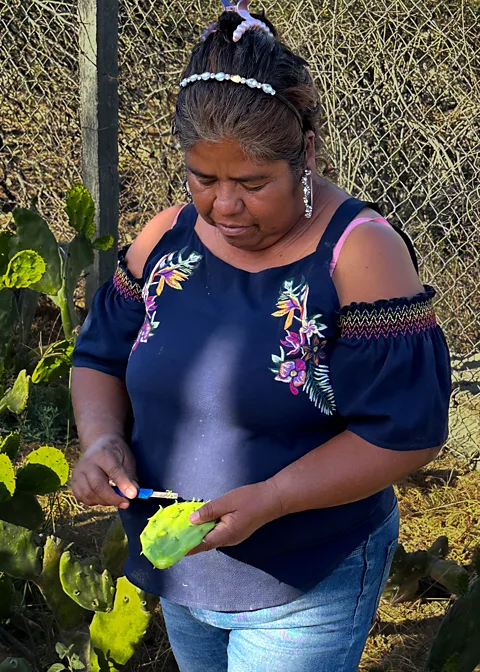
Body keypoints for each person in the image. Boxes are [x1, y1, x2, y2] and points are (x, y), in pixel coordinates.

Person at [71, 3, 451, 670]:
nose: (223, 205)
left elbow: (404, 432)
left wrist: (273, 498)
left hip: (304, 581)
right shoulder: (166, 237)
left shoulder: (358, 254)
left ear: (304, 152)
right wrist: (101, 439)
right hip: (186, 576)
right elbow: (100, 354)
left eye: (251, 183)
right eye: (203, 178)